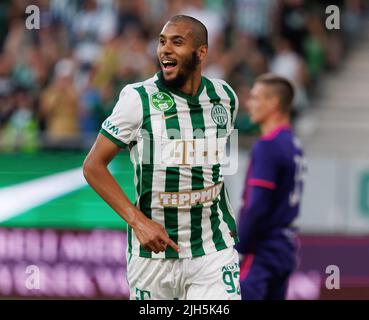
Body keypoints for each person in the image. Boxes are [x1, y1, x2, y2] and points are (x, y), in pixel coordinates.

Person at [83, 15, 240, 300]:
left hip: (213, 249)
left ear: (201, 52)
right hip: (152, 258)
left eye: (177, 42)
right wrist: (137, 221)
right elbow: (93, 166)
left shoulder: (225, 97)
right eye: (162, 42)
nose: (165, 49)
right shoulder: (137, 99)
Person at [236, 73, 306, 300]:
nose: (249, 103)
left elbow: (257, 205)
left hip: (261, 251)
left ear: (273, 102)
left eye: (255, 98)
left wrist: (239, 247)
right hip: (284, 249)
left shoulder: (268, 146)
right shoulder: (294, 144)